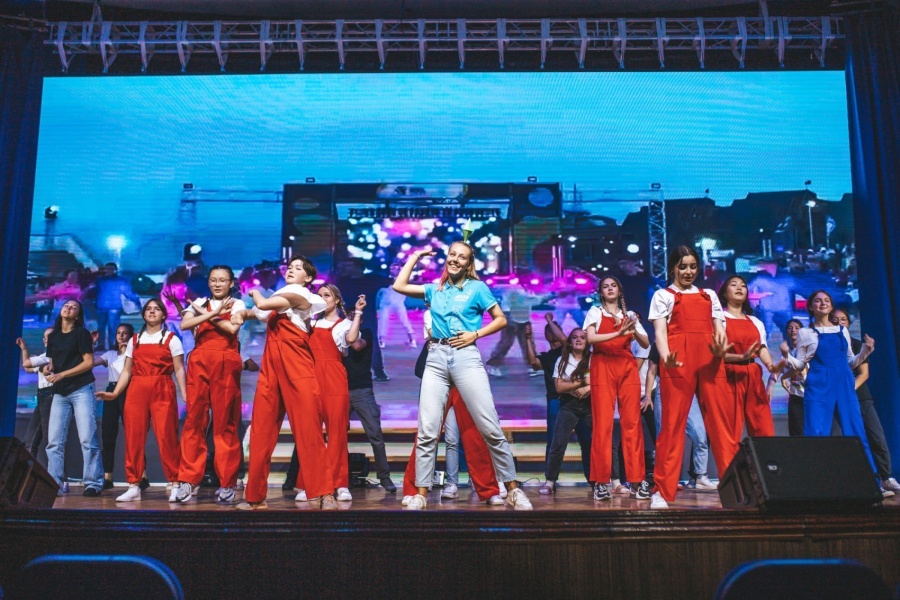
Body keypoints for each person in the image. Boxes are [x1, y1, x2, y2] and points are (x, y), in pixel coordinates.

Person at [392, 242, 532, 510]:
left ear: (469, 264)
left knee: (490, 427)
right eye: (452, 255)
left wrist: (475, 334)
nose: (455, 260)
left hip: (465, 357)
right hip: (435, 357)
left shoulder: (477, 288)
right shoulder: (435, 289)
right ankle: (421, 494)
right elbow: (399, 286)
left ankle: (513, 490)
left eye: (462, 257)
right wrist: (416, 256)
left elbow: (500, 319)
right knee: (427, 431)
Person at [229, 255, 337, 510]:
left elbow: (263, 304)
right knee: (261, 433)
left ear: (308, 278)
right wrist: (240, 314)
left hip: (297, 366)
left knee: (308, 430)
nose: (291, 270)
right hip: (272, 368)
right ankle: (255, 498)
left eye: (298, 268)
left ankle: (324, 493)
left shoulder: (301, 295)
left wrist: (253, 291)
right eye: (290, 267)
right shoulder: (281, 297)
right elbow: (258, 312)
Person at [648, 246, 733, 509]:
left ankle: (735, 488)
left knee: (721, 425)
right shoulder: (663, 295)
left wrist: (721, 347)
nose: (688, 271)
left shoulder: (709, 295)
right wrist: (665, 357)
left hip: (709, 359)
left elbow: (720, 329)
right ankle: (661, 490)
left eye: (693, 266)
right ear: (673, 268)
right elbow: (660, 333)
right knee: (672, 426)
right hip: (677, 359)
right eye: (682, 266)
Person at [782, 291, 886, 494]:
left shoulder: (842, 331)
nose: (823, 303)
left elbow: (851, 362)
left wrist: (866, 351)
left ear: (831, 305)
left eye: (826, 300)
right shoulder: (805, 333)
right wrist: (787, 355)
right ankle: (817, 485)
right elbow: (801, 364)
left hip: (844, 383)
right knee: (816, 432)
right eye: (818, 301)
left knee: (856, 430)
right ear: (810, 306)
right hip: (819, 383)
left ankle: (870, 483)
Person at [97, 298, 186, 502]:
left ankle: (175, 483)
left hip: (162, 386)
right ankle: (134, 484)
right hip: (137, 388)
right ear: (143, 314)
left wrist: (185, 393)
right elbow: (127, 371)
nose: (152, 311)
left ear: (163, 315)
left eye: (156, 309)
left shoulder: (171, 339)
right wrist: (115, 394)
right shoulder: (134, 340)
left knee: (167, 436)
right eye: (148, 309)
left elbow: (179, 369)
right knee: (133, 437)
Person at [170, 266, 246, 504]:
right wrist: (210, 312)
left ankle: (227, 483)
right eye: (213, 280)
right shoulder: (200, 302)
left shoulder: (237, 304)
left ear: (231, 283)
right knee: (194, 421)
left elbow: (232, 328)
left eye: (222, 280)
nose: (217, 284)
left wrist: (205, 313)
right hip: (200, 361)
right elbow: (185, 324)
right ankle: (188, 480)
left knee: (225, 424)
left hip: (225, 362)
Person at [293, 285, 365, 503]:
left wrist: (358, 312)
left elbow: (352, 339)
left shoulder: (344, 324)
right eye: (319, 295)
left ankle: (340, 483)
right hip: (311, 377)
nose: (322, 299)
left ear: (337, 300)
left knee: (337, 433)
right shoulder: (310, 323)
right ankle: (309, 484)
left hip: (334, 379)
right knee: (311, 434)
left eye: (327, 295)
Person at [584, 276, 652, 501]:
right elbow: (591, 338)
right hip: (603, 363)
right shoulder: (595, 312)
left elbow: (645, 343)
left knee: (632, 423)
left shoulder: (629, 315)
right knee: (603, 424)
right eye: (606, 286)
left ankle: (636, 480)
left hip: (626, 364)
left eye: (613, 285)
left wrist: (633, 329)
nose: (610, 288)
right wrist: (618, 333)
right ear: (601, 293)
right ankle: (600, 482)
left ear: (619, 290)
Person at [832, 309, 899, 494]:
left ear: (848, 323)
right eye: (835, 320)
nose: (839, 323)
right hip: (837, 400)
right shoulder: (825, 345)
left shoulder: (855, 344)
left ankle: (886, 477)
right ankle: (866, 481)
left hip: (860, 397)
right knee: (852, 440)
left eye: (843, 320)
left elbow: (864, 374)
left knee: (877, 437)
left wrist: (848, 391)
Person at [43, 299, 104, 496]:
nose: (68, 308)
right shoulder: (54, 335)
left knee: (87, 438)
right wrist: (49, 368)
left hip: (81, 388)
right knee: (54, 441)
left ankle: (93, 483)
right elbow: (53, 362)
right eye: (66, 306)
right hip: (60, 391)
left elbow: (88, 363)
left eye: (74, 307)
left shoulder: (81, 333)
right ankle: (55, 484)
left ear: (78, 316)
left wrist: (62, 374)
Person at [525, 314, 592, 491]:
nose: (551, 332)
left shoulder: (569, 351)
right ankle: (550, 481)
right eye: (547, 331)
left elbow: (564, 338)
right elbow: (533, 362)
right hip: (559, 400)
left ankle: (593, 480)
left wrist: (549, 321)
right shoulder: (551, 357)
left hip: (584, 402)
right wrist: (528, 339)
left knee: (587, 441)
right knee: (555, 442)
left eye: (553, 330)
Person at [643, 345, 716, 491]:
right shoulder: (660, 343)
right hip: (665, 387)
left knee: (700, 435)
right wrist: (648, 396)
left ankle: (700, 476)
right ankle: (665, 478)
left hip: (687, 389)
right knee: (664, 437)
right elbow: (652, 371)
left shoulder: (689, 343)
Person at [718, 275, 782, 438]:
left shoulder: (755, 321)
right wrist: (741, 357)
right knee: (730, 429)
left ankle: (765, 455)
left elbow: (762, 348)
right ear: (724, 293)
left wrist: (771, 366)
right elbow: (717, 354)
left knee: (763, 426)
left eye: (743, 285)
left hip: (753, 375)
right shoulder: (719, 320)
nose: (739, 288)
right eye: (734, 284)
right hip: (728, 374)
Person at [343, 326, 397, 492]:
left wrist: (346, 330)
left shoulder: (365, 332)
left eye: (355, 315)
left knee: (375, 435)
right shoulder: (336, 331)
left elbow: (356, 345)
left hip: (363, 391)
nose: (351, 317)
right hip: (340, 390)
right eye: (348, 315)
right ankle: (342, 478)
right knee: (337, 437)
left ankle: (384, 477)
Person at [541, 328, 593, 495]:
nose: (578, 340)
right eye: (575, 337)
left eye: (582, 337)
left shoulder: (592, 359)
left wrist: (578, 385)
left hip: (589, 406)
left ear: (587, 341)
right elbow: (559, 387)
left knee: (590, 444)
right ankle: (550, 481)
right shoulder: (562, 360)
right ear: (570, 342)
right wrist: (581, 382)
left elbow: (597, 382)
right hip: (568, 405)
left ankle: (594, 481)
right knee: (558, 444)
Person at [94, 323, 135, 489]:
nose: (121, 336)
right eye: (118, 333)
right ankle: (107, 476)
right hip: (111, 390)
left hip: (129, 390)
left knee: (133, 435)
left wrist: (128, 350)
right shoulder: (110, 354)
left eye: (125, 333)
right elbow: (90, 363)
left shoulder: (134, 354)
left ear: (131, 336)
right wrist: (92, 344)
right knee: (108, 434)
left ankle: (140, 476)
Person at [17, 328, 55, 466]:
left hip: (51, 395)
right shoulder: (43, 356)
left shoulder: (52, 356)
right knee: (32, 439)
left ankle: (57, 474)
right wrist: (24, 349)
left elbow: (27, 363)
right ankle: (29, 471)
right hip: (42, 396)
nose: (45, 339)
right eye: (44, 336)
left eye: (48, 336)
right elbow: (27, 368)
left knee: (49, 440)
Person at [90, 262, 140, 351]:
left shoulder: (120, 281)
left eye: (110, 269)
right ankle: (102, 345)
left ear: (115, 270)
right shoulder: (100, 280)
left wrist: (136, 300)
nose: (108, 270)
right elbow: (94, 291)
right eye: (107, 268)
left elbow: (128, 292)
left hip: (113, 306)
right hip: (101, 306)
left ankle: (112, 344)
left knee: (112, 327)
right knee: (101, 327)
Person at [779, 319, 806, 436]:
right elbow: (776, 372)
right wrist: (769, 386)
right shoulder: (787, 352)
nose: (793, 330)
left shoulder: (807, 349)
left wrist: (784, 377)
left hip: (810, 394)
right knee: (796, 432)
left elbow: (798, 367)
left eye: (797, 328)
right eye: (790, 328)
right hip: (795, 395)